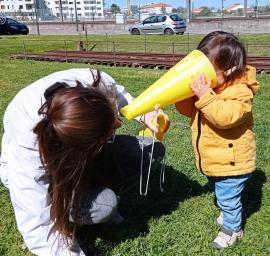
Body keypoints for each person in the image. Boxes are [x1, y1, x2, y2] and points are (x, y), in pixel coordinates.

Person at [0, 68, 165, 255]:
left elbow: (117, 93)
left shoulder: (92, 82)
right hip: (50, 177)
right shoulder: (27, 153)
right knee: (105, 205)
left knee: (148, 150)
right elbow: (39, 227)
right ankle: (68, 208)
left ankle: (94, 187)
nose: (118, 125)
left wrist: (143, 114)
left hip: (79, 153)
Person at [175, 31, 259, 249]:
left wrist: (204, 96)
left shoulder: (240, 92)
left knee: (228, 198)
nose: (202, 75)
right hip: (214, 159)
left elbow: (224, 117)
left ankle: (233, 229)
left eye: (208, 70)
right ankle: (228, 211)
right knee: (218, 188)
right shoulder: (209, 89)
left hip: (233, 163)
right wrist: (185, 93)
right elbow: (187, 111)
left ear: (229, 70)